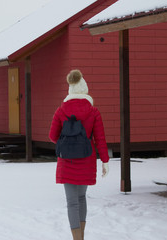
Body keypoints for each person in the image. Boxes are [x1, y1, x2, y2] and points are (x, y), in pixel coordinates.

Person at [49, 69, 109, 240]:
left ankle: (77, 238)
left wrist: (67, 140)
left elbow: (53, 136)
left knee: (72, 202)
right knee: (82, 198)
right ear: (85, 90)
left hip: (67, 161)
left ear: (70, 90)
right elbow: (100, 139)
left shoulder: (61, 111)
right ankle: (81, 237)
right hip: (86, 159)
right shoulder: (93, 111)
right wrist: (105, 161)